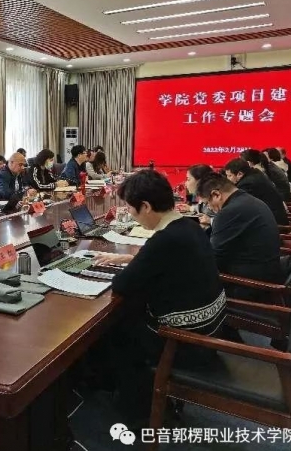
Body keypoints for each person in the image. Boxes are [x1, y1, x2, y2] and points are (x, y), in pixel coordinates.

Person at [92, 170, 226, 423]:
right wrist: (130, 258)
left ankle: (137, 409)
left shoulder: (164, 239)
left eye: (130, 208)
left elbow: (122, 284)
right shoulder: (188, 226)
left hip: (184, 343)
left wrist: (135, 264)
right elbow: (171, 263)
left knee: (115, 327)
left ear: (145, 206)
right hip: (212, 331)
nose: (129, 213)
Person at [196, 172, 283, 301]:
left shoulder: (229, 212)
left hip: (250, 285)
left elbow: (214, 260)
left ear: (216, 194)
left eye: (207, 203)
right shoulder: (249, 200)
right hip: (268, 270)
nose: (209, 208)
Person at [224, 158, 289, 225]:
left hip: (273, 223)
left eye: (229, 176)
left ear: (240, 174)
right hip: (274, 218)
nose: (227, 179)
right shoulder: (255, 173)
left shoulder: (247, 184)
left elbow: (240, 208)